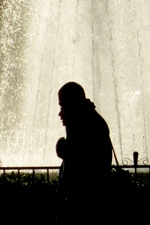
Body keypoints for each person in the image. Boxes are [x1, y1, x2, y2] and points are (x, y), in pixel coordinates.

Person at [55, 82, 113, 217]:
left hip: (83, 202)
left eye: (63, 106)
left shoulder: (82, 122)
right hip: (89, 199)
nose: (60, 113)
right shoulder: (90, 118)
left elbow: (72, 154)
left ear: (72, 102)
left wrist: (60, 145)